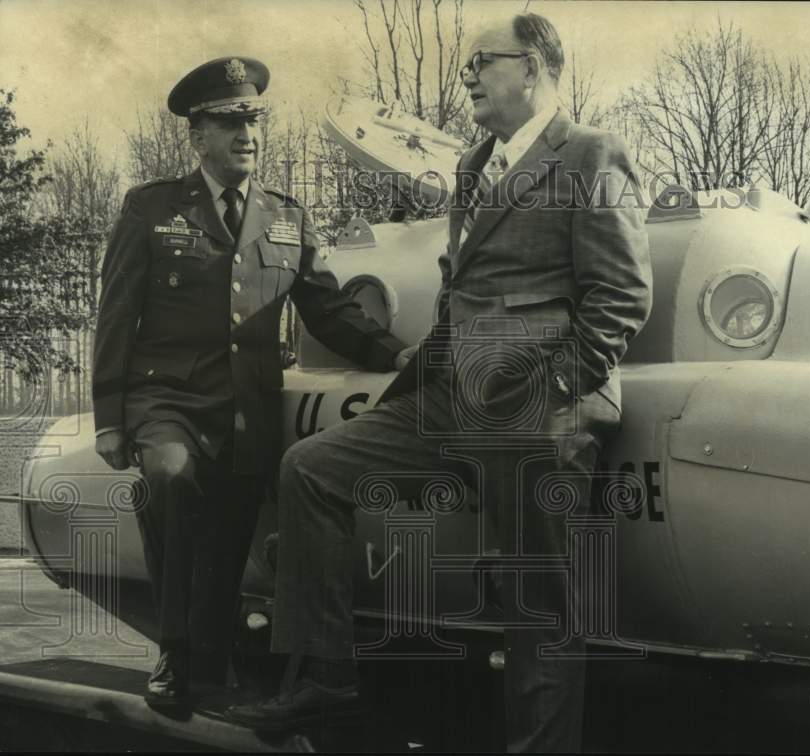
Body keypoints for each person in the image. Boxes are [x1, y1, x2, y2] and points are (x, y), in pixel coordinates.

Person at [227, 13, 652, 752]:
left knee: (539, 612)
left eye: (482, 62)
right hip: (449, 394)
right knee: (312, 470)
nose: (467, 77)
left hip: (534, 405)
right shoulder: (473, 164)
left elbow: (622, 295)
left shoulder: (590, 154)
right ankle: (326, 681)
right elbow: (463, 292)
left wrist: (558, 389)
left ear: (535, 67)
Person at [91, 56, 407, 709]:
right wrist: (108, 418)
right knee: (170, 480)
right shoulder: (150, 208)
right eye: (231, 122)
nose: (248, 135)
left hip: (246, 406)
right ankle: (175, 654)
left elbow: (328, 308)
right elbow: (117, 315)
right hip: (166, 400)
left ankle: (207, 659)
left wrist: (397, 356)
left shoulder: (287, 217)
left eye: (256, 120)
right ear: (197, 135)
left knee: (230, 533)